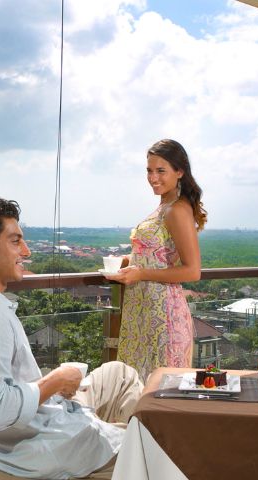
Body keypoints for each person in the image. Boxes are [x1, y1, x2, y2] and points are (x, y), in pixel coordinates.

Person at [0, 194, 144, 480]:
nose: (26, 251)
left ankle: (115, 434)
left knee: (119, 373)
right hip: (36, 447)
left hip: (36, 423)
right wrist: (56, 381)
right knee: (151, 447)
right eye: (15, 241)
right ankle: (126, 452)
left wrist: (55, 382)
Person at [107, 139, 207, 380]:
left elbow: (192, 271)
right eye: (149, 171)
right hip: (142, 311)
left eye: (161, 171)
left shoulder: (177, 210)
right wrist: (124, 262)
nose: (153, 177)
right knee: (136, 389)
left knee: (159, 391)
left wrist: (141, 273)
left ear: (179, 172)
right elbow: (156, 255)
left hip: (164, 315)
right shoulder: (165, 206)